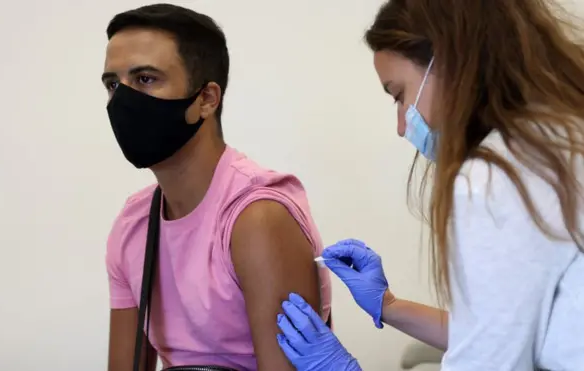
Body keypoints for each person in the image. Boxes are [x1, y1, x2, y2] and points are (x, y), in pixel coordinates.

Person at [276, 0, 584, 370]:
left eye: (399, 94)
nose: (402, 126)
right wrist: (388, 306)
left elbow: (487, 360)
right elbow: (499, 327)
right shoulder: (559, 136)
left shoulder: (500, 176)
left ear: (450, 62)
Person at [101, 4, 331, 371]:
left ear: (207, 99)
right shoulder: (134, 225)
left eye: (145, 79)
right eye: (114, 84)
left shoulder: (257, 219)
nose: (123, 100)